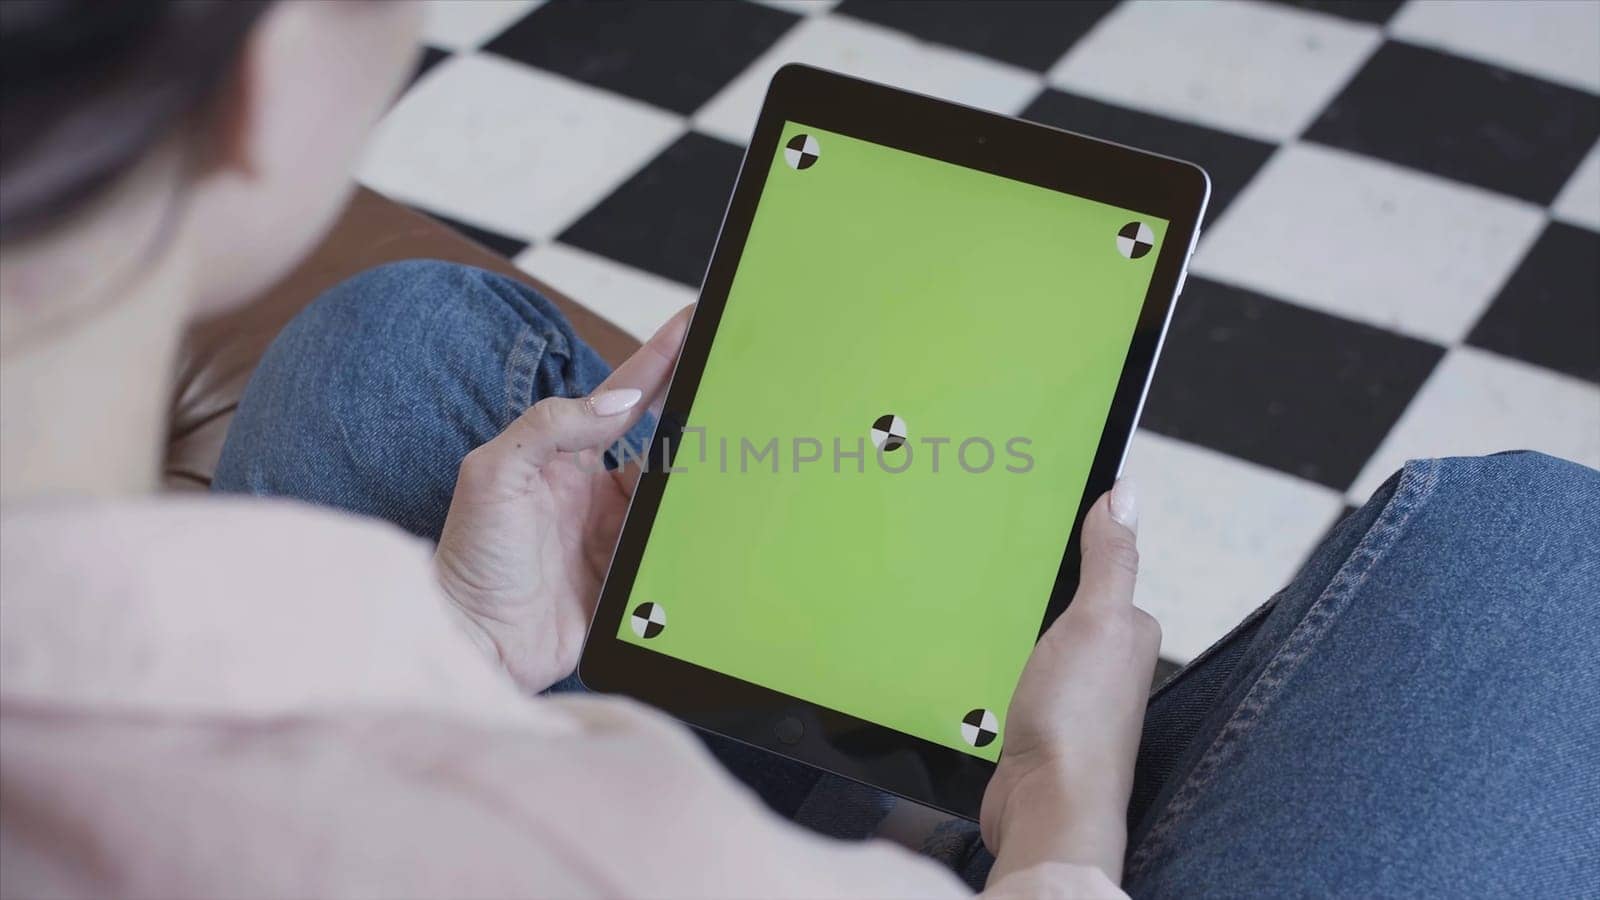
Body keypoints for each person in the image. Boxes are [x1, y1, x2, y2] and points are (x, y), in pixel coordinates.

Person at [1, 3, 1594, 897]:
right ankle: (934, 825)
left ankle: (869, 790)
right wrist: (1057, 814)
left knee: (405, 336)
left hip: (494, 756)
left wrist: (470, 652)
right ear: (261, 85)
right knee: (1541, 562)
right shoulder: (591, 852)